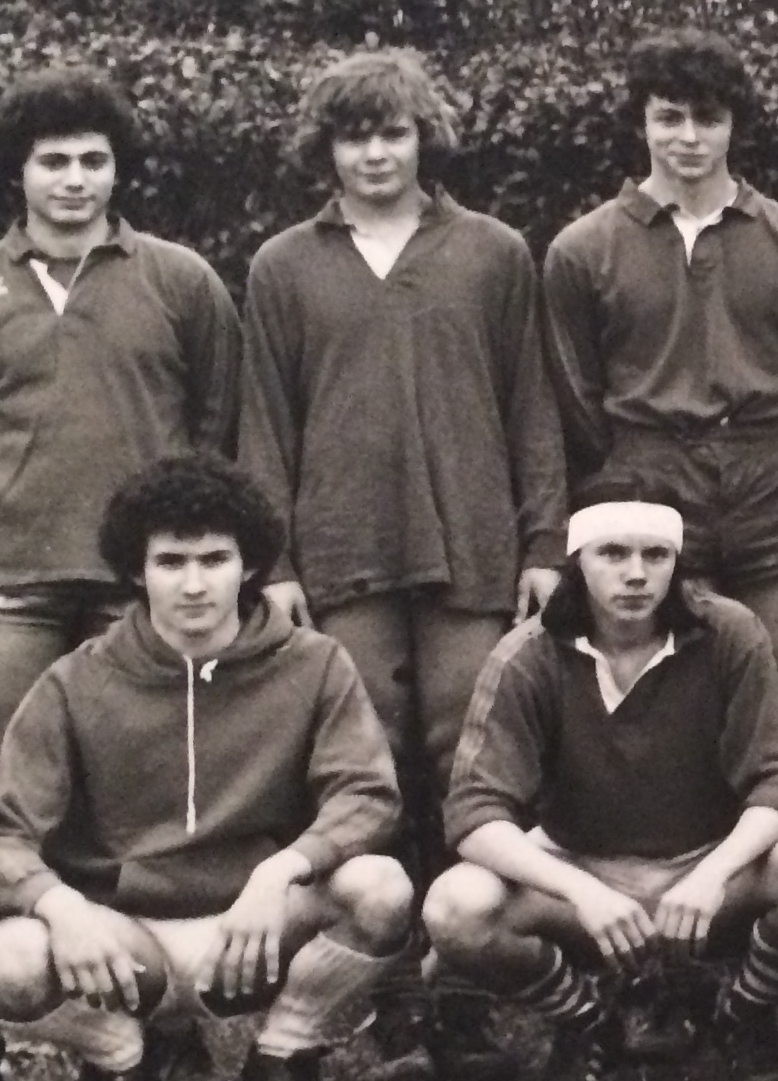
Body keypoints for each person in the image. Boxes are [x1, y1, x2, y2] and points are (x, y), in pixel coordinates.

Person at [0, 63, 244, 1081]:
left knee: (134, 802)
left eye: (95, 161)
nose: (76, 180)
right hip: (1, 584)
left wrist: (155, 548)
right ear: (19, 174)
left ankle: (160, 1030)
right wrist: (2, 507)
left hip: (130, 590)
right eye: (55, 161)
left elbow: (215, 426)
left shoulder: (180, 279)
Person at [0, 456, 417, 1081]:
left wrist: (280, 871)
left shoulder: (313, 662)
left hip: (254, 925)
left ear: (249, 566)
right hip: (127, 939)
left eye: (215, 559)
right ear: (136, 572)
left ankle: (284, 1056)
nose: (195, 583)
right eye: (171, 562)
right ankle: (118, 1063)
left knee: (379, 887)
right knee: (14, 955)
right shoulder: (75, 681)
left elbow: (367, 794)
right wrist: (62, 907)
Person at [424, 477, 778, 1081]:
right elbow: (473, 812)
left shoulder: (728, 632)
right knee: (456, 906)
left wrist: (711, 876)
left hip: (707, 869)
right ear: (578, 561)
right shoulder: (530, 654)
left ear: (676, 563)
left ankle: (740, 1014)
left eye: (655, 555)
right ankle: (587, 1018)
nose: (636, 574)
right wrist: (582, 891)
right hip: (583, 872)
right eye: (613, 553)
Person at [240, 47, 567, 810]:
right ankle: (382, 921)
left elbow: (533, 409)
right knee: (366, 745)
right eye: (354, 138)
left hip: (472, 542)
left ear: (425, 135)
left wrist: (545, 543)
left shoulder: (494, 251)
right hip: (343, 544)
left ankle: (472, 917)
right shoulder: (282, 265)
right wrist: (276, 564)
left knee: (471, 741)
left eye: (392, 133)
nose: (376, 154)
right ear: (326, 149)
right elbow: (263, 425)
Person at [539, 29, 778, 728]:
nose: (689, 137)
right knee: (672, 693)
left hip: (775, 478)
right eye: (669, 117)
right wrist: (634, 460)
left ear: (734, 124)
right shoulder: (582, 250)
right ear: (641, 121)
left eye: (708, 119)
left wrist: (777, 449)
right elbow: (574, 391)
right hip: (652, 476)